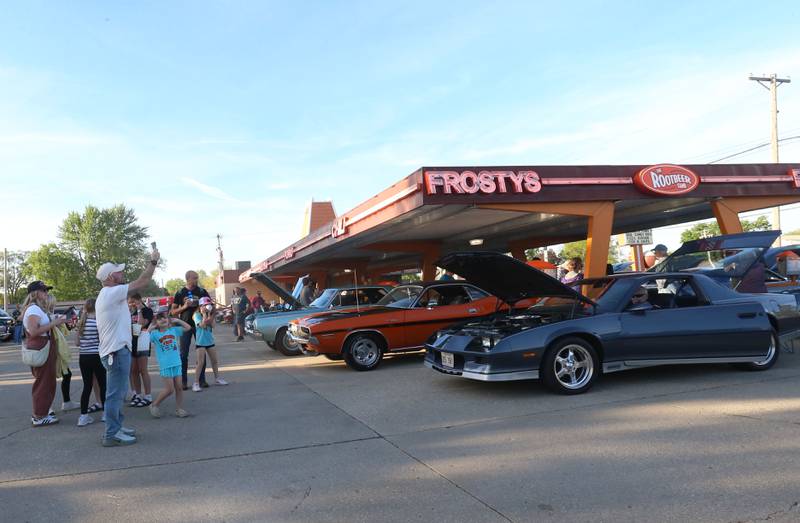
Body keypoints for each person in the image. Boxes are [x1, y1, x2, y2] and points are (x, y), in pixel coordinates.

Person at [95, 247, 160, 447]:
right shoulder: (110, 292)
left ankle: (116, 427)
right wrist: (153, 262)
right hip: (116, 351)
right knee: (115, 394)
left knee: (118, 392)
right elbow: (142, 282)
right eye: (119, 271)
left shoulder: (110, 294)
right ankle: (111, 434)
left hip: (115, 350)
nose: (122, 273)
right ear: (110, 277)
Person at [21, 281, 67, 426]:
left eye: (46, 291)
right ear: (35, 293)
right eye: (43, 291)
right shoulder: (33, 309)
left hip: (43, 345)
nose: (46, 293)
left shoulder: (37, 309)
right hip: (41, 345)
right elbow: (33, 331)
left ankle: (43, 412)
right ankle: (39, 416)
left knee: (47, 381)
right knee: (44, 383)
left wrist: (53, 320)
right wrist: (54, 322)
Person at [170, 270, 211, 390]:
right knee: (183, 354)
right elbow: (172, 312)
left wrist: (205, 311)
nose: (197, 280)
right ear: (188, 278)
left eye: (197, 278)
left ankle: (201, 380)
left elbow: (210, 306)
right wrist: (185, 306)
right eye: (195, 278)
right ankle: (183, 381)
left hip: (200, 326)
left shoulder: (202, 291)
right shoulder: (180, 293)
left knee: (201, 353)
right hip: (185, 326)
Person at [148, 313, 192, 418]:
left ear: (169, 321)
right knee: (169, 389)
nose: (163, 320)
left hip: (177, 363)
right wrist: (150, 327)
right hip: (165, 365)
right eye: (159, 319)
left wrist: (177, 320)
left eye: (165, 318)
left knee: (179, 387)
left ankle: (179, 409)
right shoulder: (154, 334)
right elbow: (145, 337)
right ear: (156, 323)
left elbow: (188, 327)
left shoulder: (174, 330)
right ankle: (154, 404)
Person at [76, 298, 107, 427]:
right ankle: (106, 413)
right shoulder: (98, 323)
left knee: (87, 386)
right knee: (103, 384)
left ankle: (83, 416)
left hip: (83, 357)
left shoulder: (81, 324)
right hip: (97, 355)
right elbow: (102, 340)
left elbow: (77, 343)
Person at [192, 297, 228, 391]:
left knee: (214, 361)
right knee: (200, 363)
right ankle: (196, 383)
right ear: (200, 306)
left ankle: (217, 379)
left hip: (210, 341)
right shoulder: (196, 315)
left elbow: (213, 326)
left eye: (210, 305)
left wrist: (211, 314)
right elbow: (203, 325)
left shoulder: (210, 314)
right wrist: (204, 314)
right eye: (205, 305)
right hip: (200, 342)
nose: (208, 306)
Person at [128, 293, 154, 407]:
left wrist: (139, 310)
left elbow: (141, 324)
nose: (131, 304)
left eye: (133, 302)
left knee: (143, 370)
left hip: (143, 340)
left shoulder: (147, 311)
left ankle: (148, 396)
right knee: (134, 370)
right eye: (130, 302)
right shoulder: (130, 312)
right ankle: (137, 395)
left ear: (139, 300)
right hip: (132, 342)